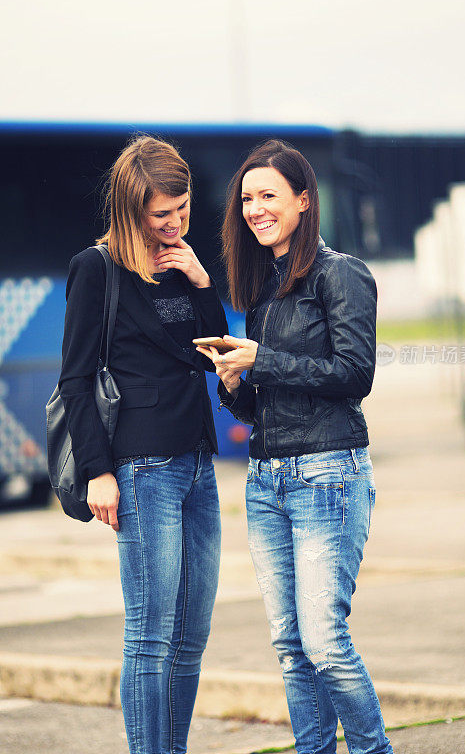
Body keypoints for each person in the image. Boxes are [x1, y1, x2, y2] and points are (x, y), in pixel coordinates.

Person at [197, 140, 393, 754]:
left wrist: (266, 361)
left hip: (328, 475)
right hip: (266, 480)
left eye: (269, 196)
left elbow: (354, 375)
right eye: (247, 199)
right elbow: (263, 404)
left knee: (324, 642)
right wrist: (235, 384)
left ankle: (372, 748)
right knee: (289, 646)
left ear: (303, 202)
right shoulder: (259, 291)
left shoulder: (342, 274)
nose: (255, 209)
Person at [58, 135, 228, 754]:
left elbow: (214, 359)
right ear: (131, 209)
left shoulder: (183, 261)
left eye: (183, 210)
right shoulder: (95, 268)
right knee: (151, 634)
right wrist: (98, 473)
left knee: (193, 633)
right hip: (141, 466)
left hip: (197, 462)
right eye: (162, 214)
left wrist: (204, 285)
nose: (175, 224)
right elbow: (75, 379)